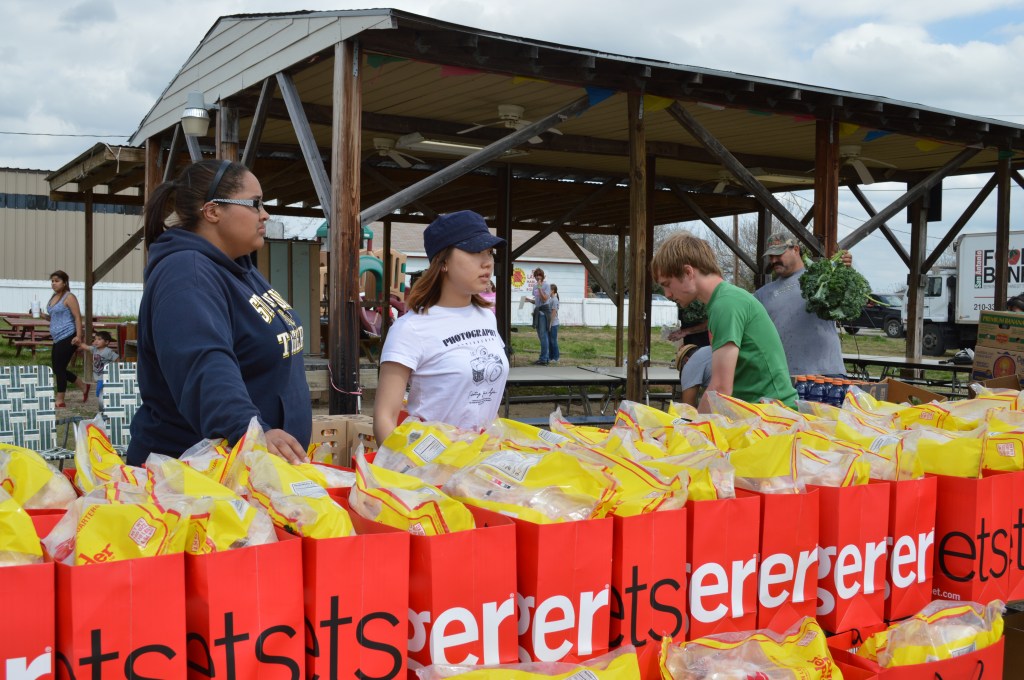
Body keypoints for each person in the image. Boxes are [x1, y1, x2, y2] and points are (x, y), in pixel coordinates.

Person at [126, 159, 311, 466]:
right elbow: (204, 366)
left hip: (247, 469)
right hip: (192, 479)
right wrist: (251, 431)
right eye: (255, 204)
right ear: (212, 211)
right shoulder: (187, 273)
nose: (265, 214)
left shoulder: (239, 267)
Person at [374, 210, 509, 443]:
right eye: (475, 251)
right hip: (434, 467)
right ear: (443, 261)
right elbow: (385, 418)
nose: (487, 261)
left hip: (482, 461)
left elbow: (484, 400)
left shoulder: (486, 317)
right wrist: (406, 471)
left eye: (489, 252)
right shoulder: (411, 328)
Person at [652, 232, 797, 410]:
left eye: (667, 284)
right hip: (757, 413)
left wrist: (692, 429)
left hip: (773, 417)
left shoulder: (726, 304)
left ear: (688, 272)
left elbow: (720, 389)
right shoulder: (722, 301)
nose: (667, 294)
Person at [753, 232, 850, 378]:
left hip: (826, 374)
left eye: (779, 254)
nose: (774, 260)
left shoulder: (822, 277)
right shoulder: (762, 294)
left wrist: (844, 270)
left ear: (796, 250)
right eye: (771, 256)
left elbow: (846, 303)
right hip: (785, 378)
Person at [43, 270, 88, 407]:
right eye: (52, 281)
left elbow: (77, 317)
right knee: (58, 368)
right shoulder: (54, 297)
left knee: (59, 369)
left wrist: (78, 336)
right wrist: (40, 315)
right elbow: (54, 317)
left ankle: (60, 400)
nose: (54, 283)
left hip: (69, 336)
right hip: (57, 337)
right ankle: (84, 387)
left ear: (65, 282)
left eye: (57, 281)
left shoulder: (69, 297)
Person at [81, 330, 118, 401]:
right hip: (98, 376)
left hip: (106, 376)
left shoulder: (108, 351)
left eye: (99, 339)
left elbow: (117, 359)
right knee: (101, 393)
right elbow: (86, 347)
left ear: (106, 342)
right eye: (95, 339)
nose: (96, 341)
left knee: (100, 393)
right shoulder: (95, 349)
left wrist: (117, 370)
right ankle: (105, 406)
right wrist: (79, 343)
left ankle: (104, 408)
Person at [525, 268, 552, 365]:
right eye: (536, 275)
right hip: (538, 310)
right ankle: (545, 357)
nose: (537, 277)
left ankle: (544, 359)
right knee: (540, 336)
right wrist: (529, 300)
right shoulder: (535, 286)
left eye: (539, 275)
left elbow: (544, 299)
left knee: (543, 335)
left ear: (543, 276)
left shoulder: (546, 285)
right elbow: (537, 300)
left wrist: (540, 288)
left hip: (544, 311)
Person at [548, 283, 561, 364]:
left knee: (553, 341)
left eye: (548, 290)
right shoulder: (550, 299)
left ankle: (556, 358)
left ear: (552, 290)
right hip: (551, 323)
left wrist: (550, 324)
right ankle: (551, 357)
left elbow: (553, 312)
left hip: (553, 323)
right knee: (550, 340)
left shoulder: (554, 300)